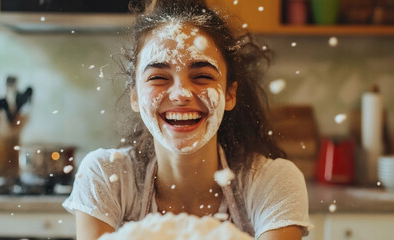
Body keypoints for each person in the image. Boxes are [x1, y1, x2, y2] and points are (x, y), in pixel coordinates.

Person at [62, 0, 312, 239]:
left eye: (202, 76)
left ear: (229, 94)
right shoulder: (106, 176)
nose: (181, 94)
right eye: (158, 77)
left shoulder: (273, 182)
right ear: (135, 97)